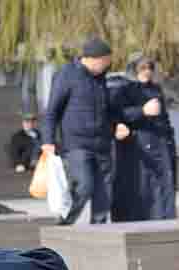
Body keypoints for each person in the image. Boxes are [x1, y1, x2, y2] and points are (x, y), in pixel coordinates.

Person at [43, 36, 129, 225]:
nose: (108, 65)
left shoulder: (101, 78)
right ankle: (64, 223)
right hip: (77, 144)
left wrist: (118, 124)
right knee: (84, 185)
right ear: (92, 58)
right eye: (106, 61)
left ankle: (98, 229)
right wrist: (48, 140)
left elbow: (108, 109)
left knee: (104, 191)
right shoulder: (67, 74)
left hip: (103, 143)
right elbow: (52, 111)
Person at [111, 55, 176, 221]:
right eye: (142, 68)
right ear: (134, 69)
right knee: (141, 185)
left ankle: (163, 218)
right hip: (136, 144)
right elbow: (119, 114)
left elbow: (163, 117)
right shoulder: (123, 89)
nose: (147, 72)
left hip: (159, 142)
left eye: (150, 68)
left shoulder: (156, 89)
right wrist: (142, 111)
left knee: (162, 184)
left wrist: (169, 138)